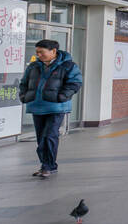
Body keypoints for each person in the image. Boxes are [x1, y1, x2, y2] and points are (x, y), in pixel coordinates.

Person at [19, 40, 83, 179]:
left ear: (53, 51)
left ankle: (48, 166)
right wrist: (24, 95)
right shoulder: (34, 66)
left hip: (56, 107)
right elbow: (24, 83)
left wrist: (62, 96)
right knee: (41, 138)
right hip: (37, 106)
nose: (38, 55)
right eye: (37, 52)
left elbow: (75, 82)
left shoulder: (68, 66)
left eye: (41, 52)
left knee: (49, 136)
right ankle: (47, 165)